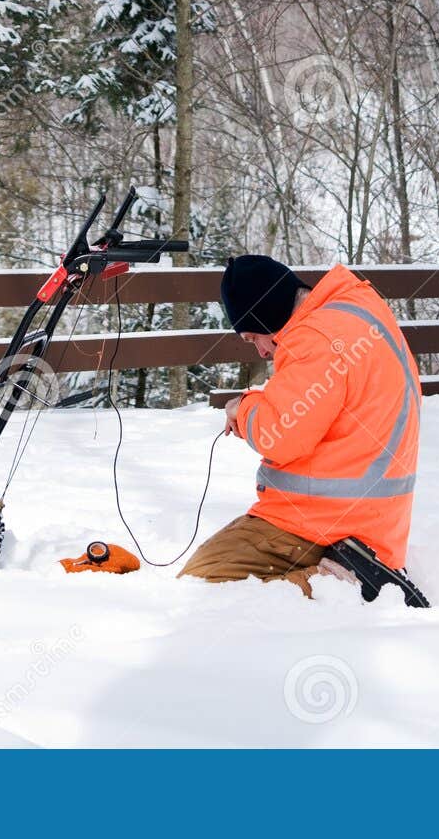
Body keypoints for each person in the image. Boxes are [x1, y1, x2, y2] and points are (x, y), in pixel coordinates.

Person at [179, 254, 421, 596]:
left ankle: (337, 582)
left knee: (202, 582)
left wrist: (243, 409)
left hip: (326, 522)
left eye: (252, 337)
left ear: (268, 315)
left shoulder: (318, 339)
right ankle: (341, 574)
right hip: (373, 518)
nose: (262, 352)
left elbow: (279, 436)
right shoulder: (354, 311)